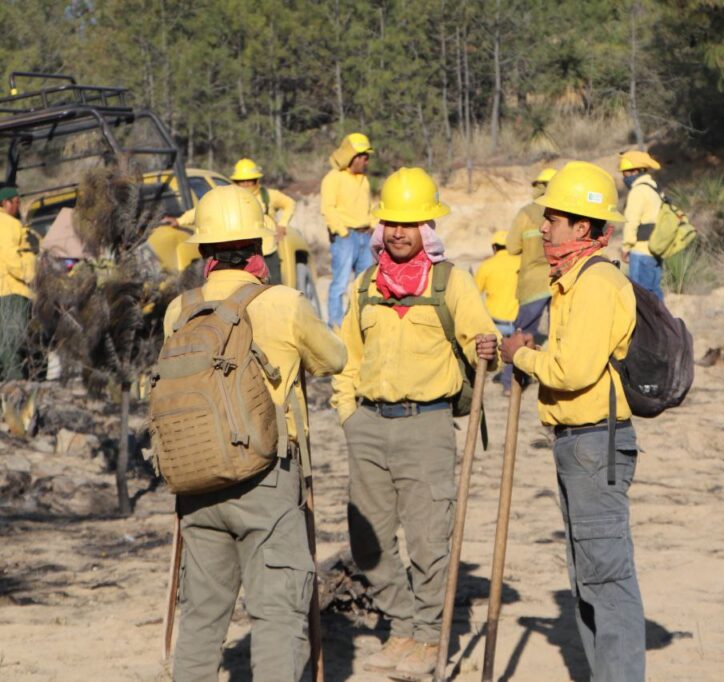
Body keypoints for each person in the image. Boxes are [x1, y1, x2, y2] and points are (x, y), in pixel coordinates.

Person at [164, 185, 346, 681]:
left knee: (201, 617)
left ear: (204, 250)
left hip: (197, 479)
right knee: (277, 616)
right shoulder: (283, 302)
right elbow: (334, 359)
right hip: (267, 476)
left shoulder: (180, 310)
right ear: (260, 247)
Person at [331, 167, 499, 678]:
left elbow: (481, 339)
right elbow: (347, 358)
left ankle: (427, 637)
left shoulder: (451, 283)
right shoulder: (364, 285)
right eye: (392, 224)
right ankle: (400, 627)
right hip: (368, 424)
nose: (399, 233)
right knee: (369, 541)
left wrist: (487, 347)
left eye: (410, 224)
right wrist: (348, 415)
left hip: (426, 427)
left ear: (427, 227)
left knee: (429, 542)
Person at [499, 161, 645, 682]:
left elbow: (573, 370)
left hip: (594, 442)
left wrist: (521, 356)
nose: (543, 228)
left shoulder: (596, 283)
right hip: (579, 443)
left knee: (606, 578)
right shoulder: (573, 281)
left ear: (582, 227)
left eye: (553, 220)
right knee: (588, 575)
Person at [165, 158, 296, 284]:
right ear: (235, 181)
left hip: (268, 251)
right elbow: (202, 211)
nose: (246, 184)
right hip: (241, 255)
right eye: (241, 181)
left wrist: (282, 224)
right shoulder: (229, 198)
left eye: (249, 180)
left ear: (256, 180)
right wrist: (179, 221)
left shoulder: (269, 195)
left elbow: (290, 203)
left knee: (272, 288)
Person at [321, 132, 374, 327]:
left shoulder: (364, 180)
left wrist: (373, 225)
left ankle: (362, 323)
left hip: (366, 236)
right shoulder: (333, 178)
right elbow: (328, 208)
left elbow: (369, 208)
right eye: (364, 157)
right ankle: (336, 326)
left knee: (365, 284)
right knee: (340, 283)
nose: (367, 161)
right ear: (354, 157)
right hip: (345, 237)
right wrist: (342, 232)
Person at [506, 167, 556, 343]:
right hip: (560, 279)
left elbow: (512, 247)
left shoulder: (526, 213)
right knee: (558, 335)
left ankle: (519, 361)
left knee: (523, 335)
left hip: (533, 283)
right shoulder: (565, 213)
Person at [474, 229, 520, 394]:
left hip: (496, 321)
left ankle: (485, 379)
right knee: (515, 354)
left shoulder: (487, 265)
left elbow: (475, 292)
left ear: (494, 247)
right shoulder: (521, 263)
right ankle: (509, 386)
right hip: (517, 318)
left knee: (494, 353)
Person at [0, 184, 35, 380]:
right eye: (16, 202)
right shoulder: (7, 224)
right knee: (13, 338)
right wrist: (30, 275)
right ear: (5, 203)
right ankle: (15, 381)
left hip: (4, 289)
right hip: (11, 289)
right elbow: (11, 256)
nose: (18, 206)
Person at [619, 149, 664, 299]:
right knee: (654, 297)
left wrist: (626, 247)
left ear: (635, 171)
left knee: (641, 299)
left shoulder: (638, 191)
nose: (623, 177)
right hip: (655, 250)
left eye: (625, 173)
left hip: (640, 252)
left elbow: (631, 222)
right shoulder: (655, 188)